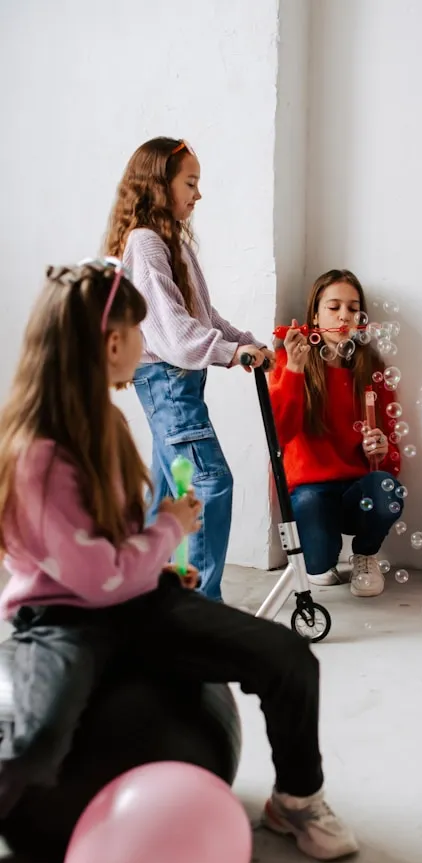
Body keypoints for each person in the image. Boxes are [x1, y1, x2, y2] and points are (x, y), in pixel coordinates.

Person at [0, 261, 357, 862]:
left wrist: (161, 566)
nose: (147, 345)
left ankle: (296, 798)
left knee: (288, 657)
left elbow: (114, 546)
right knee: (36, 741)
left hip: (132, 600)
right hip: (64, 617)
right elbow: (94, 574)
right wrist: (169, 529)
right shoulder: (38, 452)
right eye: (140, 332)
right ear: (113, 344)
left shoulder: (104, 424)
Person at [104, 137, 274, 602]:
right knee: (209, 483)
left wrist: (244, 344)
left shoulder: (172, 242)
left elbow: (203, 318)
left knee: (164, 491)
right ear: (159, 184)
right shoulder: (145, 242)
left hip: (178, 382)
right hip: (167, 381)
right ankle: (200, 604)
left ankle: (138, 588)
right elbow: (173, 333)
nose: (197, 195)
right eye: (190, 183)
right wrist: (227, 353)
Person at [269, 269, 404, 597]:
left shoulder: (370, 368)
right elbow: (280, 434)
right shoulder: (289, 360)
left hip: (357, 490)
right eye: (333, 307)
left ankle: (366, 555)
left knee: (388, 489)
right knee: (318, 570)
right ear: (314, 314)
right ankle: (321, 556)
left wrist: (383, 451)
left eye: (353, 307)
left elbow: (392, 456)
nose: (344, 315)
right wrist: (294, 371)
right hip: (309, 493)